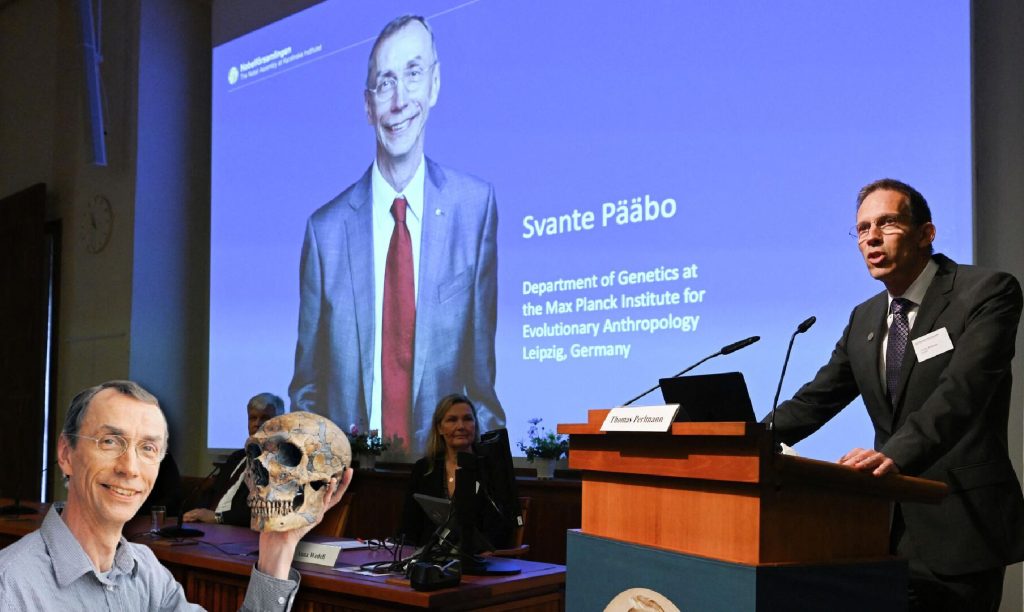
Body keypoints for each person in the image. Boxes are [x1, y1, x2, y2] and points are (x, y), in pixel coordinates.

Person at [771, 179, 1024, 611]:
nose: (871, 237)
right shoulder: (865, 317)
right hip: (882, 529)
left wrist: (894, 456)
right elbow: (816, 400)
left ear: (926, 233)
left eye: (887, 223)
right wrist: (748, 441)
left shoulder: (986, 292)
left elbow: (962, 392)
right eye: (862, 228)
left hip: (960, 519)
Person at [289, 14, 504, 458]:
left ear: (435, 84)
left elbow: (482, 385)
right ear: (368, 105)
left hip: (445, 475)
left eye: (413, 74)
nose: (399, 100)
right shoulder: (325, 231)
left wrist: (489, 475)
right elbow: (306, 388)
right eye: (385, 83)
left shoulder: (474, 208)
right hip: (353, 479)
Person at [0, 380, 352, 610]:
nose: (130, 467)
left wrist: (278, 552)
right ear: (66, 454)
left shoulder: (147, 573)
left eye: (148, 448)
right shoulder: (10, 586)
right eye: (110, 441)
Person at [399, 394, 512, 551]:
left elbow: (501, 526)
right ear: (439, 428)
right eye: (452, 420)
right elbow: (409, 523)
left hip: (479, 558)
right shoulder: (424, 468)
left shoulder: (491, 468)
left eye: (467, 419)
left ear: (475, 424)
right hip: (429, 557)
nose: (461, 426)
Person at [183, 392, 282, 526]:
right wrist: (198, 513)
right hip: (212, 528)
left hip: (242, 532)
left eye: (264, 418)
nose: (257, 423)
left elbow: (264, 510)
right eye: (252, 418)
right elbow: (213, 493)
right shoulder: (237, 457)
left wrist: (219, 518)